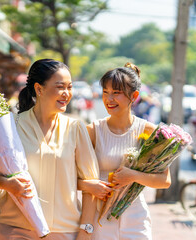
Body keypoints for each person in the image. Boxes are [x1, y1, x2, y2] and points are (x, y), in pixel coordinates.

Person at [0, 59, 99, 239]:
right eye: (60, 87)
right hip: (15, 230)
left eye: (69, 87)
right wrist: (7, 184)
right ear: (39, 89)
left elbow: (91, 187)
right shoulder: (12, 126)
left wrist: (86, 231)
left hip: (63, 231)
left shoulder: (76, 128)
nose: (66, 93)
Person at [78, 63, 171, 240]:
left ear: (134, 96)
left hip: (136, 217)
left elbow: (165, 181)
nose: (109, 99)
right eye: (105, 92)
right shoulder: (93, 131)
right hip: (100, 218)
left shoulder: (149, 131)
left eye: (116, 93)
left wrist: (133, 176)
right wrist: (90, 186)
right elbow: (70, 176)